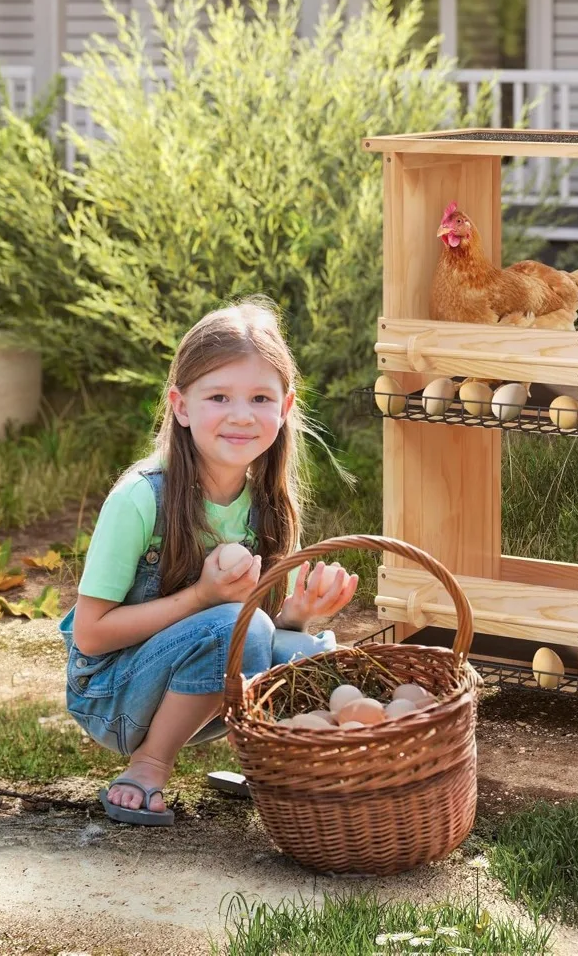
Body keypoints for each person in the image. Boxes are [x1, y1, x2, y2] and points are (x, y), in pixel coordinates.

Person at [58, 298, 358, 825]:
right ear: (181, 406)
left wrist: (297, 614)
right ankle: (149, 764)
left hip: (201, 690)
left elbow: (257, 634)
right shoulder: (140, 500)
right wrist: (200, 596)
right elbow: (91, 635)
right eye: (219, 396)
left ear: (285, 408)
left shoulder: (267, 500)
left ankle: (268, 762)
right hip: (114, 695)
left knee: (309, 649)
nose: (242, 415)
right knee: (223, 624)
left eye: (260, 398)